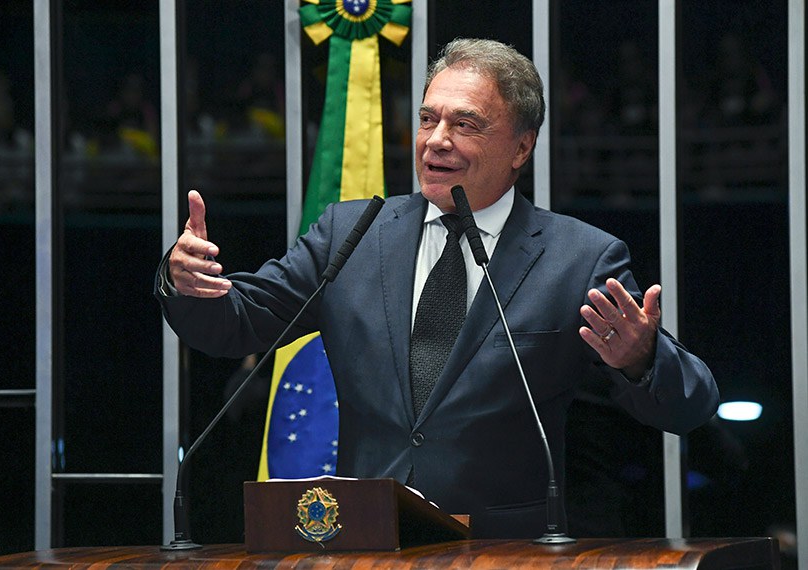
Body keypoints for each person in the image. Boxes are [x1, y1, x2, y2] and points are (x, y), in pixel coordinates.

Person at [155, 38, 718, 538]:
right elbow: (235, 323)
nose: (436, 141)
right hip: (367, 544)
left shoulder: (579, 259)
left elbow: (689, 406)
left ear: (522, 148)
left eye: (465, 124)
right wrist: (186, 282)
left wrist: (641, 359)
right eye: (428, 120)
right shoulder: (351, 233)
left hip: (506, 552)